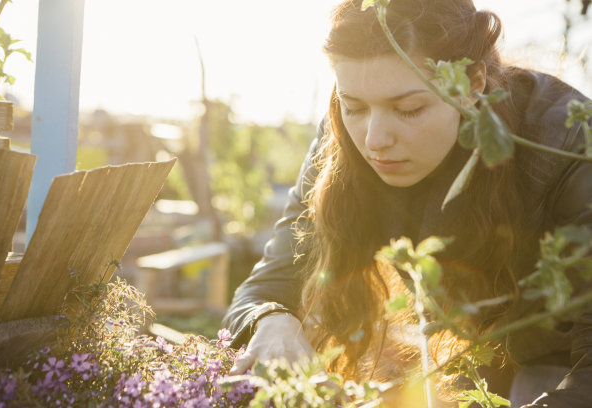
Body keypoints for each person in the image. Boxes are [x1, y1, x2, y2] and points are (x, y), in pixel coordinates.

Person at [223, 0, 592, 406]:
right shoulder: (341, 141)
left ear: (471, 87)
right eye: (354, 107)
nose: (374, 139)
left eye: (408, 109)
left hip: (560, 360)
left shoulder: (570, 145)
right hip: (469, 355)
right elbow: (267, 283)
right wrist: (271, 319)